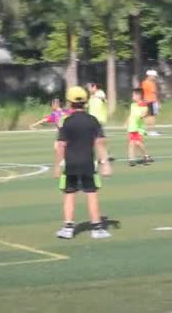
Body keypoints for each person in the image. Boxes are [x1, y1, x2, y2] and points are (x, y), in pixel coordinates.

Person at [54, 86, 112, 240]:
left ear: (69, 102)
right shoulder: (92, 120)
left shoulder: (66, 122)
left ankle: (68, 228)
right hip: (88, 163)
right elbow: (100, 142)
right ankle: (97, 228)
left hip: (71, 164)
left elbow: (61, 145)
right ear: (85, 102)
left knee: (69, 194)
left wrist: (57, 166)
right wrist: (105, 162)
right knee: (92, 193)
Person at [125, 88, 152, 166]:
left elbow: (143, 114)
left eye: (134, 95)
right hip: (132, 127)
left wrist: (142, 115)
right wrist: (127, 121)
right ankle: (132, 160)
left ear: (139, 96)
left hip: (138, 128)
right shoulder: (132, 105)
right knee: (131, 143)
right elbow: (131, 115)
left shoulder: (144, 106)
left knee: (138, 143)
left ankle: (145, 155)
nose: (132, 96)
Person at [141, 70, 161, 136]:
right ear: (150, 76)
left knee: (147, 116)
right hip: (151, 101)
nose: (155, 78)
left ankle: (148, 130)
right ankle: (152, 131)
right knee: (152, 116)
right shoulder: (149, 83)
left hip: (148, 101)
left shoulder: (144, 82)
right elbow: (154, 93)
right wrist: (158, 102)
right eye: (154, 76)